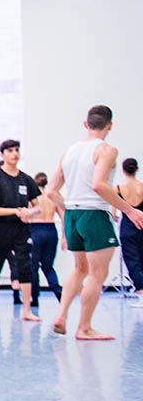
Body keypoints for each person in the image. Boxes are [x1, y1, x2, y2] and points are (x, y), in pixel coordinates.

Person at [47, 106, 143, 339]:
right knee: (97, 275)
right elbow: (99, 185)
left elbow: (51, 191)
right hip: (94, 215)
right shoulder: (107, 150)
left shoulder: (69, 151)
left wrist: (69, 207)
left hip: (73, 214)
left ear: (85, 124)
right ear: (110, 125)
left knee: (80, 269)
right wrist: (130, 211)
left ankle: (61, 315)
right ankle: (85, 328)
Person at [0, 140, 42, 322]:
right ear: (3, 154)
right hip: (0, 227)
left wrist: (28, 212)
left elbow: (38, 207)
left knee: (25, 267)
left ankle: (26, 310)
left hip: (21, 229)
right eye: (10, 151)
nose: (14, 154)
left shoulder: (26, 179)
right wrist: (15, 211)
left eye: (17, 150)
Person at [28, 172, 64, 307]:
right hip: (51, 230)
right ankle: (57, 290)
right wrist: (65, 237)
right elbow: (63, 216)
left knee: (33, 267)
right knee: (48, 267)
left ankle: (35, 298)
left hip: (35, 230)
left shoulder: (32, 198)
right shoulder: (52, 198)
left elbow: (25, 216)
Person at [116, 159, 143, 303]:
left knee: (132, 260)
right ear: (136, 169)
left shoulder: (119, 188)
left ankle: (141, 292)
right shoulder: (142, 186)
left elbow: (114, 213)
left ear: (123, 170)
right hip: (142, 223)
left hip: (127, 226)